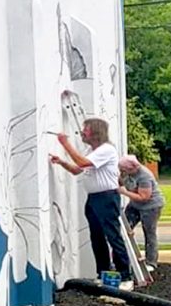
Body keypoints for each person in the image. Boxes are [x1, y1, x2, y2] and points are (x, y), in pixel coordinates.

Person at [50, 118, 134, 290]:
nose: (83, 132)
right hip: (94, 198)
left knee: (112, 235)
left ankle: (126, 275)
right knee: (96, 237)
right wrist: (61, 162)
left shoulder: (106, 150)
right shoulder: (91, 151)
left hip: (107, 197)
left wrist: (65, 144)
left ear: (96, 132)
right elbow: (76, 169)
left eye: (86, 129)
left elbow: (82, 163)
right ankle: (103, 272)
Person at [119, 154, 165, 271]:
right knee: (123, 229)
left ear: (132, 168)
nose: (122, 171)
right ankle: (122, 259)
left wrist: (124, 192)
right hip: (134, 205)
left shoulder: (144, 176)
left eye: (124, 169)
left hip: (151, 206)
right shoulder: (125, 172)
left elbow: (144, 197)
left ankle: (151, 262)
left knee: (149, 233)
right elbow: (120, 180)